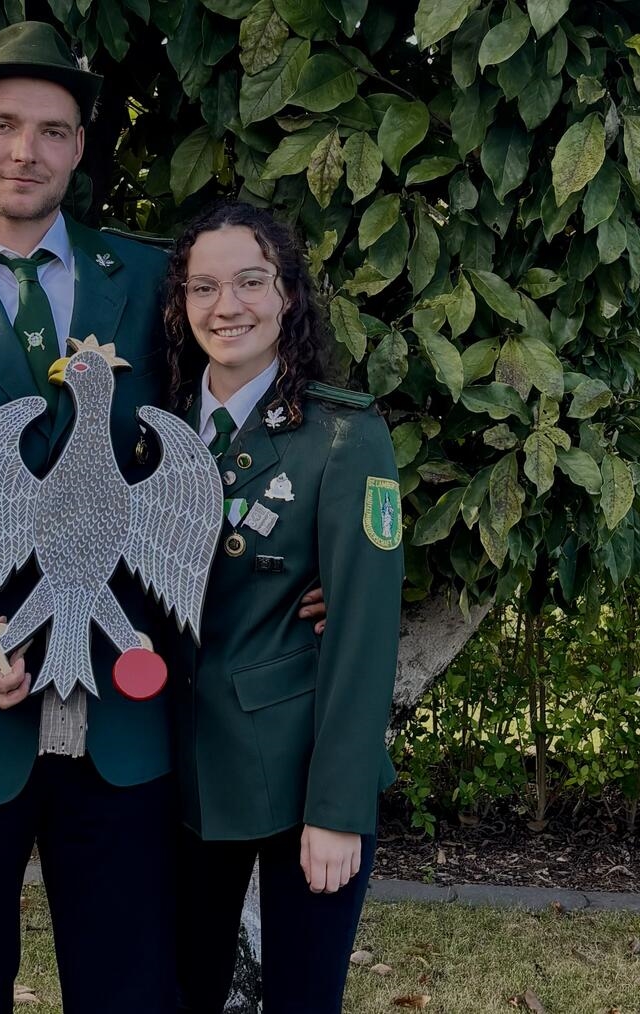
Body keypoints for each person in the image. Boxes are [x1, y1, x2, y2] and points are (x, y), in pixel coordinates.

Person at [0, 22, 323, 1014]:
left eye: (51, 130)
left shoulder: (154, 287)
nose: (24, 151)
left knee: (134, 996)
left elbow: (240, 437)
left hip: (127, 731)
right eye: (2, 124)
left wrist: (300, 572)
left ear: (80, 148)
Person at [163, 201, 404, 1014]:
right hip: (173, 774)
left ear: (289, 295)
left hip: (300, 776)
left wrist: (337, 810)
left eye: (250, 281)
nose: (226, 306)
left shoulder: (342, 435)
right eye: (203, 287)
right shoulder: (152, 431)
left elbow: (363, 635)